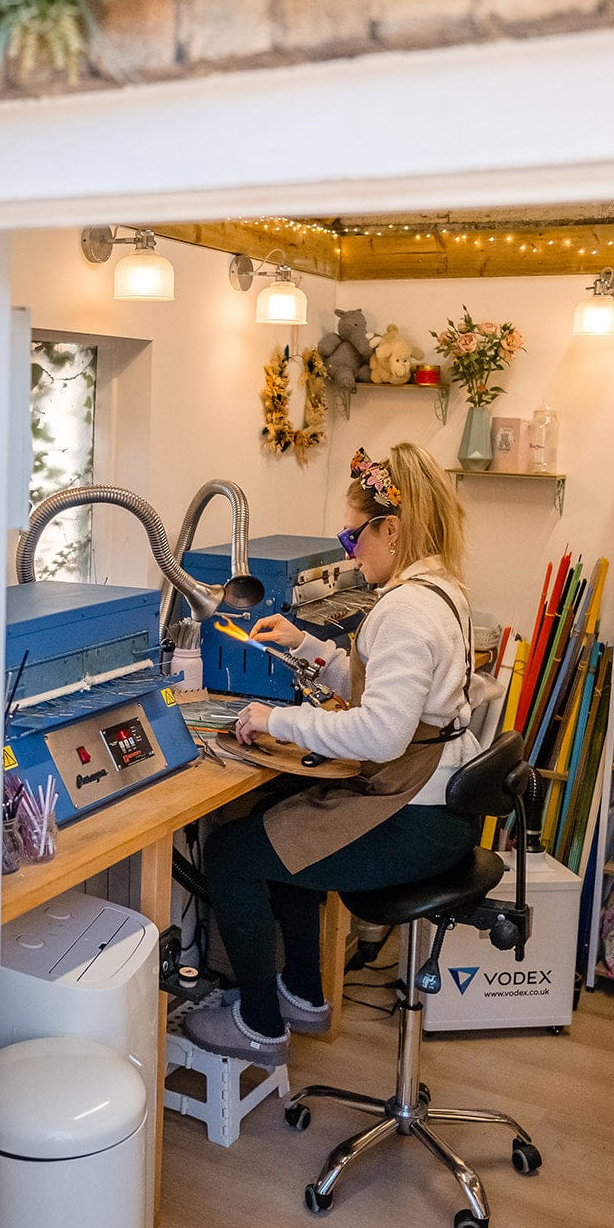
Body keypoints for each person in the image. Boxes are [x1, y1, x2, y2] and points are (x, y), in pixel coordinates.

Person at [183, 442, 488, 1065]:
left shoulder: (405, 609)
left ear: (392, 529)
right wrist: (308, 645)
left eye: (352, 540)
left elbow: (381, 733)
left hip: (417, 817)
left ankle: (260, 1025)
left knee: (232, 853)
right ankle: (302, 992)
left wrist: (278, 718)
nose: (349, 555)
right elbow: (395, 696)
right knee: (288, 826)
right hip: (438, 804)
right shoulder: (441, 590)